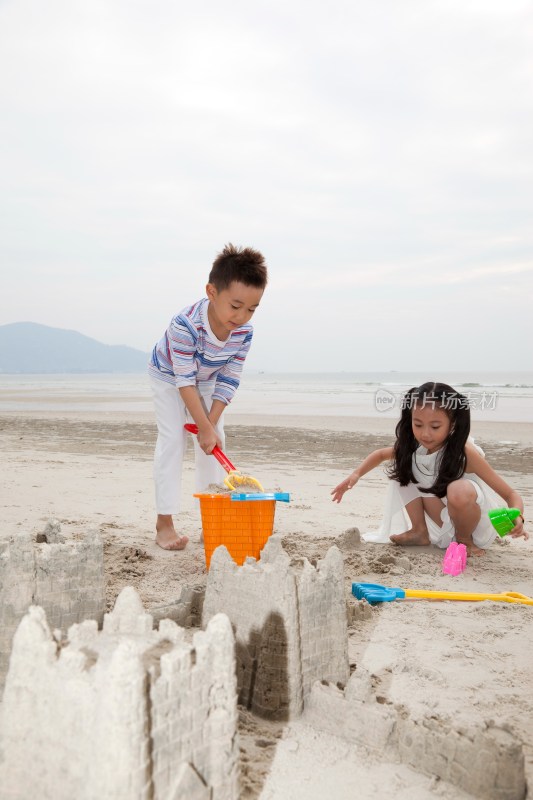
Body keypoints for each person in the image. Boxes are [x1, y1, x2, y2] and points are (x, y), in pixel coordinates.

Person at [148, 244, 268, 550]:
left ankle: (211, 520)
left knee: (217, 440)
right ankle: (165, 523)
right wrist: (201, 427)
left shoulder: (244, 332)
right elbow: (183, 380)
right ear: (212, 292)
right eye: (236, 305)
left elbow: (229, 378)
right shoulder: (184, 325)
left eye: (252, 309)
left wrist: (210, 425)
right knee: (173, 439)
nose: (242, 316)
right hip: (169, 376)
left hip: (209, 379)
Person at [331, 382, 527, 555]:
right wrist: (355, 475)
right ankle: (419, 531)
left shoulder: (464, 454)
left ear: (452, 425)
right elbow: (381, 454)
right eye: (418, 424)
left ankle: (464, 542)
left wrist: (517, 516)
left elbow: (510, 494)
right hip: (446, 520)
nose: (425, 434)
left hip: (475, 527)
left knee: (458, 489)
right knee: (403, 466)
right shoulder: (414, 448)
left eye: (435, 427)